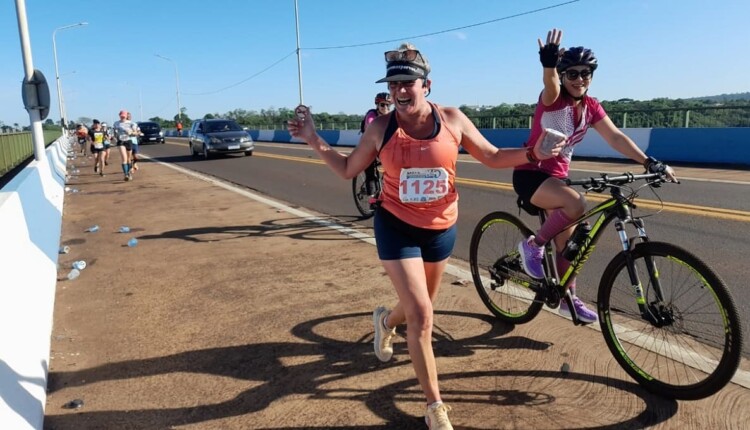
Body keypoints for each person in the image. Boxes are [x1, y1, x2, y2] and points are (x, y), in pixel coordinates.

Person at [287, 42, 564, 430]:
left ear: (426, 85)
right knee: (422, 316)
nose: (400, 89)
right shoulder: (381, 128)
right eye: (394, 82)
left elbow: (492, 156)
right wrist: (313, 138)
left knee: (419, 310)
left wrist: (535, 153)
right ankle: (435, 407)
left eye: (408, 82)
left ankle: (385, 322)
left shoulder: (452, 120)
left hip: (440, 229)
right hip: (396, 226)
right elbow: (349, 169)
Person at [513, 28, 677, 324]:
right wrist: (549, 65)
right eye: (572, 74)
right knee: (577, 203)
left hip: (557, 179)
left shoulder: (591, 106)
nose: (579, 79)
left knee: (572, 247)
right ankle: (532, 246)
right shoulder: (553, 99)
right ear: (564, 76)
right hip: (531, 175)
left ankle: (567, 300)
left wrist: (649, 162)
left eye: (586, 73)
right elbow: (549, 83)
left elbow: (615, 137)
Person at [361, 92, 392, 197]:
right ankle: (371, 196)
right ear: (377, 105)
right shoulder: (371, 115)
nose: (385, 107)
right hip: (368, 145)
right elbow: (371, 127)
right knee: (370, 172)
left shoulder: (391, 117)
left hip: (383, 146)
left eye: (388, 105)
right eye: (382, 105)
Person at [111, 110, 139, 181]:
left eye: (124, 116)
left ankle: (129, 173)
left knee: (129, 159)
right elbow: (114, 132)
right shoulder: (116, 123)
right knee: (124, 159)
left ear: (126, 116)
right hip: (121, 142)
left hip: (128, 141)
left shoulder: (131, 123)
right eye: (121, 116)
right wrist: (114, 136)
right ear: (119, 116)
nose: (122, 117)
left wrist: (131, 132)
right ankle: (125, 174)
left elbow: (136, 132)